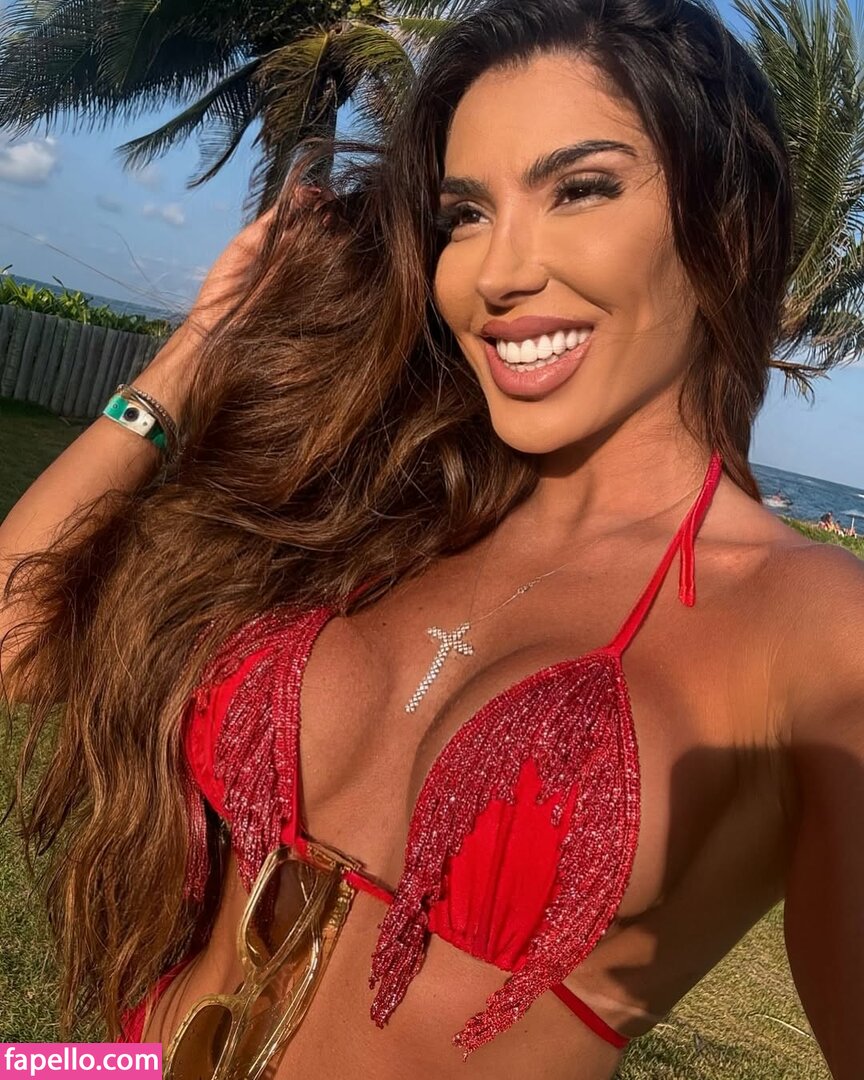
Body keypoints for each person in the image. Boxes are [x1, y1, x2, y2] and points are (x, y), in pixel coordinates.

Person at [1, 0, 862, 1077]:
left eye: (580, 189)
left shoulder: (811, 631)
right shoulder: (386, 501)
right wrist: (197, 352)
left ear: (726, 225)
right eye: (466, 213)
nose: (496, 272)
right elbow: (15, 637)